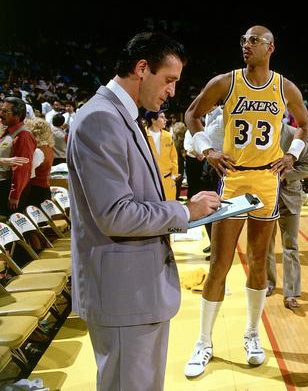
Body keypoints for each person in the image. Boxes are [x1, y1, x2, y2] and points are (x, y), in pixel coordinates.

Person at [67, 32, 220, 391]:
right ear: (141, 68)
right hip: (124, 293)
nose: (172, 91)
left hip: (136, 291)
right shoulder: (100, 118)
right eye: (169, 80)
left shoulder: (120, 115)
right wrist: (185, 212)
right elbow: (115, 214)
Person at [184, 25, 308, 377]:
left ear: (270, 48)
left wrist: (292, 154)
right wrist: (206, 149)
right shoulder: (226, 82)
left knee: (258, 263)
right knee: (220, 265)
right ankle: (204, 341)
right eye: (243, 40)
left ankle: (252, 334)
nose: (246, 45)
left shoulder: (285, 87)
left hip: (268, 181)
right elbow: (191, 114)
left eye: (254, 40)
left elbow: (304, 124)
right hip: (235, 178)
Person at [266, 124, 308, 309]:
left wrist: (286, 174)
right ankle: (268, 283)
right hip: (264, 197)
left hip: (290, 197)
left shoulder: (295, 134)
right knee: (265, 244)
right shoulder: (256, 131)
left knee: (291, 246)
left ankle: (291, 293)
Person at [0, 97, 37, 216]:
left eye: (5, 111)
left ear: (18, 115)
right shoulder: (8, 132)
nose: (1, 114)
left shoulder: (23, 135)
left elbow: (22, 168)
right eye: (1, 110)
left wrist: (15, 194)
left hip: (8, 189)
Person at [145, 110, 180, 201]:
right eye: (162, 117)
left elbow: (174, 157)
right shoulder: (144, 135)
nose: (165, 120)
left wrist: (174, 175)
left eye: (165, 117)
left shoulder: (168, 136)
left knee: (170, 206)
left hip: (167, 179)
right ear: (153, 120)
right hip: (150, 180)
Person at [24, 118, 54, 206]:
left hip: (35, 190)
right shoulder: (48, 148)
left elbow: (29, 174)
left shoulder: (38, 151)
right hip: (44, 188)